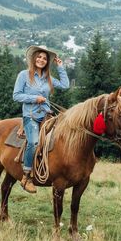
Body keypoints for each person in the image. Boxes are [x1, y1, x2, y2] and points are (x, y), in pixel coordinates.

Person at [13, 46, 70, 193]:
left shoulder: (48, 78)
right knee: (34, 142)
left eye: (44, 58)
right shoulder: (24, 75)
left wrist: (60, 67)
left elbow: (65, 85)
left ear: (47, 62)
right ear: (34, 58)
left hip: (46, 116)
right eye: (39, 57)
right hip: (30, 116)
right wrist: (35, 98)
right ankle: (26, 176)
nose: (41, 60)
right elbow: (16, 95)